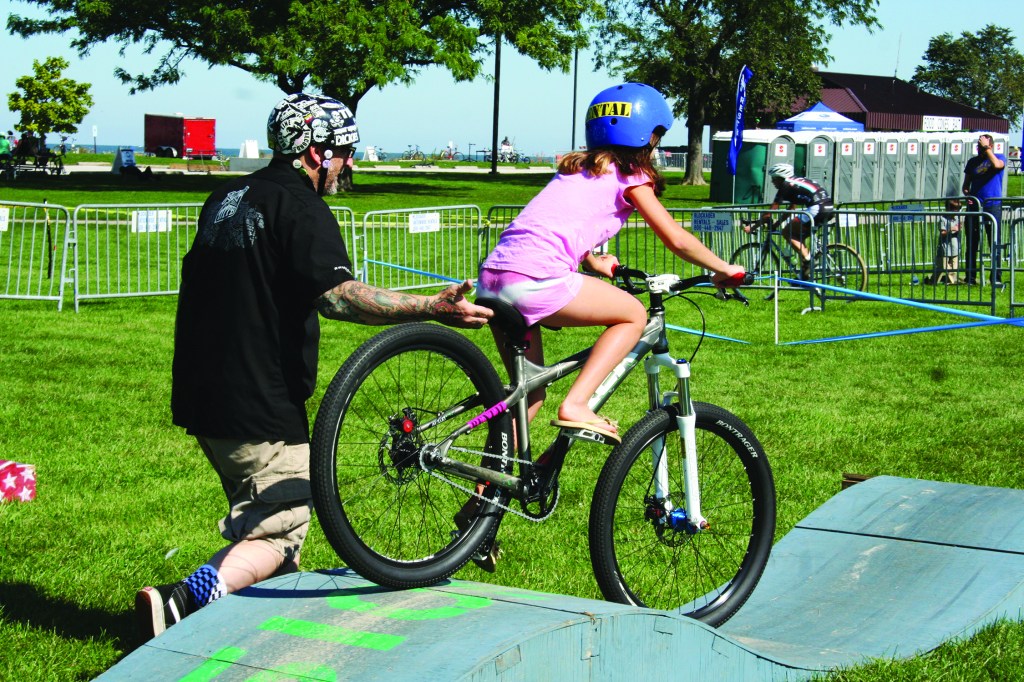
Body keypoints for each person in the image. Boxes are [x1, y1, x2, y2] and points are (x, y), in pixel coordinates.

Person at [135, 93, 493, 641]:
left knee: (268, 521)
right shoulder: (300, 207)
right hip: (259, 400)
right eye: (343, 152)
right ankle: (182, 601)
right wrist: (432, 307)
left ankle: (254, 633)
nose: (349, 163)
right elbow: (338, 296)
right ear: (313, 150)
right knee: (280, 534)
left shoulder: (228, 195)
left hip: (203, 393)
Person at [477, 83, 744, 444]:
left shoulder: (576, 169)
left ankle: (486, 494)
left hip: (494, 279)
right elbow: (676, 239)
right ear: (646, 135)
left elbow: (552, 221)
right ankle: (577, 404)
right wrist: (722, 268)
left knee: (529, 395)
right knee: (634, 315)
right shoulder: (632, 177)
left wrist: (590, 260)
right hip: (536, 280)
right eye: (657, 136)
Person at [750, 163, 834, 280]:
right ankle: (804, 276)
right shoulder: (795, 183)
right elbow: (791, 209)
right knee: (798, 238)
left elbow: (769, 212)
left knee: (787, 232)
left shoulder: (785, 185)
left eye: (774, 179)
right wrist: (776, 224)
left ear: (781, 177)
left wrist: (753, 227)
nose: (772, 182)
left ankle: (809, 261)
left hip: (816, 208)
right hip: (828, 207)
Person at [961, 133, 1005, 286]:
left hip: (992, 205)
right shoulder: (973, 162)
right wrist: (968, 196)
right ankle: (971, 277)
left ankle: (996, 278)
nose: (979, 149)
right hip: (975, 205)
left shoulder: (999, 157)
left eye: (982, 146)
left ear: (990, 146)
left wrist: (987, 149)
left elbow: (997, 165)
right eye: (978, 146)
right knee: (972, 242)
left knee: (994, 241)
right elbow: (966, 186)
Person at [924, 198, 961, 286]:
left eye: (958, 209)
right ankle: (931, 281)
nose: (957, 211)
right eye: (955, 209)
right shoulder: (943, 218)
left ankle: (950, 282)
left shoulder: (957, 218)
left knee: (954, 267)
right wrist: (951, 229)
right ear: (949, 209)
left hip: (955, 246)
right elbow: (942, 232)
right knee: (942, 267)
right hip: (945, 247)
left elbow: (958, 228)